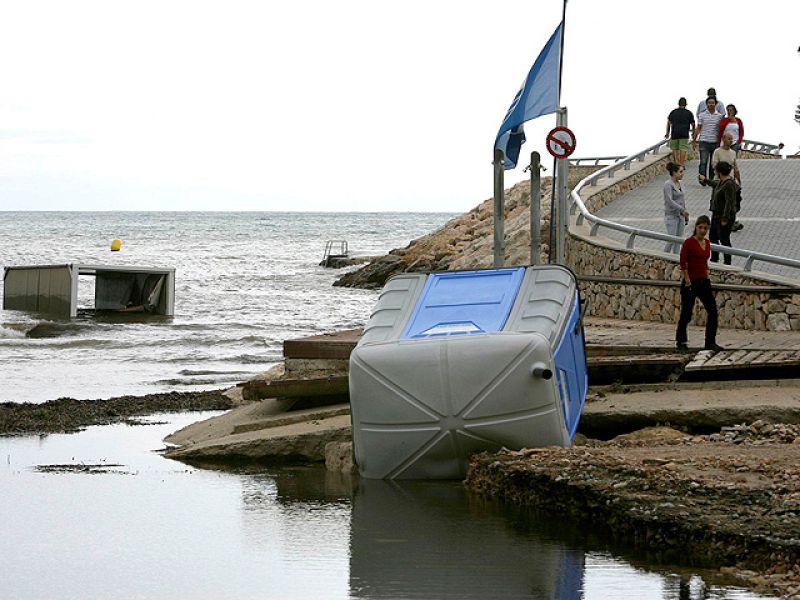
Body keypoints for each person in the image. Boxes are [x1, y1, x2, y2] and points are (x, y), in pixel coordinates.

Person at [676, 215, 722, 351]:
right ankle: (681, 341)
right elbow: (683, 262)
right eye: (700, 227)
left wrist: (707, 275)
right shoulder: (689, 243)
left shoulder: (707, 243)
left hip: (704, 281)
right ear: (696, 227)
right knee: (686, 313)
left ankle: (710, 341)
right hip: (691, 282)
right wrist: (687, 279)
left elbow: (704, 261)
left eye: (705, 228)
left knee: (712, 311)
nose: (702, 230)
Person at [700, 161, 739, 265]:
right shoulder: (722, 182)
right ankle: (714, 258)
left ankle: (727, 261)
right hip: (716, 215)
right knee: (713, 237)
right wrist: (705, 180)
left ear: (720, 172)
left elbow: (729, 203)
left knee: (724, 239)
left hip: (724, 217)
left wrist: (725, 218)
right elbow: (715, 184)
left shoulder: (729, 184)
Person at [692, 97, 724, 180]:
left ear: (715, 104)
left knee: (713, 163)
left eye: (713, 103)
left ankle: (710, 179)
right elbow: (698, 128)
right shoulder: (702, 115)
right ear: (706, 104)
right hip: (704, 141)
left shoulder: (719, 116)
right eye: (709, 103)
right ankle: (702, 178)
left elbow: (721, 130)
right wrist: (694, 140)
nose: (711, 104)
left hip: (715, 142)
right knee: (703, 162)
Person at [663, 162, 689, 253]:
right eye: (680, 172)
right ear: (674, 173)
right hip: (671, 216)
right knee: (671, 240)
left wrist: (685, 215)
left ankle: (676, 258)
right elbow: (669, 201)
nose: (682, 174)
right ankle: (664, 257)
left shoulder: (681, 183)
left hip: (680, 216)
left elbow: (682, 199)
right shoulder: (668, 184)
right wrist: (682, 209)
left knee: (678, 240)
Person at [665, 98, 695, 166]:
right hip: (684, 133)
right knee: (683, 148)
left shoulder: (673, 112)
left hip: (675, 133)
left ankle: (676, 162)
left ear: (678, 104)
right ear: (686, 104)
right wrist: (693, 132)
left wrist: (667, 132)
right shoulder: (689, 113)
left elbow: (669, 123)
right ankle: (681, 164)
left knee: (674, 148)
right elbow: (693, 123)